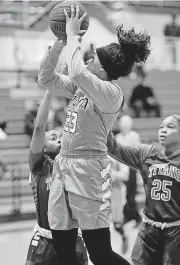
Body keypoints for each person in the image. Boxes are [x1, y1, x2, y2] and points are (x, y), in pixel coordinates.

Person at [38, 4, 151, 265]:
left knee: (100, 254)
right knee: (64, 251)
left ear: (101, 70)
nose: (87, 61)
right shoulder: (81, 89)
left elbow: (77, 70)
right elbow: (46, 79)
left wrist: (74, 37)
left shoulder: (112, 95)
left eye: (92, 60)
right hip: (63, 165)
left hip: (89, 169)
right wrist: (60, 43)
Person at [107, 114, 180, 265]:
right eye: (161, 127)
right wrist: (101, 119)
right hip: (149, 228)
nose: (163, 130)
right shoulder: (147, 154)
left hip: (175, 230)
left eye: (170, 127)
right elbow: (112, 147)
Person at [25, 90, 88, 265]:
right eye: (53, 137)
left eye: (61, 137)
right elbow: (39, 127)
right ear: (42, 147)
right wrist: (50, 89)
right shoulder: (39, 165)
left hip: (72, 236)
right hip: (45, 239)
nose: (59, 139)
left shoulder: (73, 163)